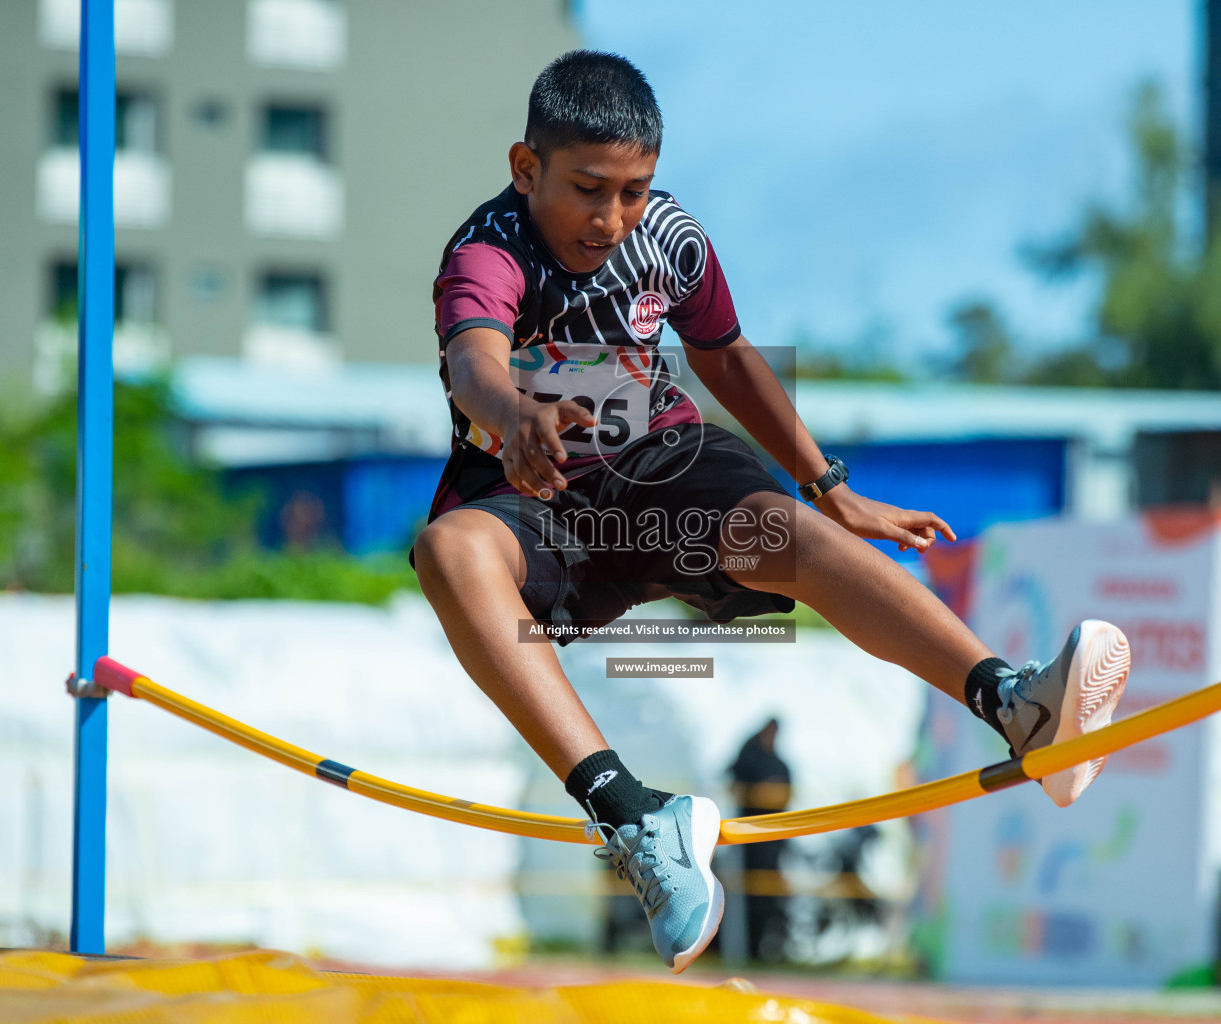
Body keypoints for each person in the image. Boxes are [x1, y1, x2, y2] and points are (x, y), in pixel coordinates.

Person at [408, 50, 1132, 974]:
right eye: (589, 190)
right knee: (447, 551)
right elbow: (474, 359)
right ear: (526, 168)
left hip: (657, 462)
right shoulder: (488, 250)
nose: (611, 218)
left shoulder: (669, 238)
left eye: (634, 190)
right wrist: (515, 416)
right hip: (530, 490)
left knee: (790, 533)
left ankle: (1012, 702)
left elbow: (728, 358)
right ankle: (634, 820)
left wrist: (833, 485)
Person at [729, 719, 793, 961]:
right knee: (748, 893)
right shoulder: (750, 758)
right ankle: (748, 948)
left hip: (772, 840)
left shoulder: (778, 764)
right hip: (749, 839)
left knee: (767, 893)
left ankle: (766, 948)